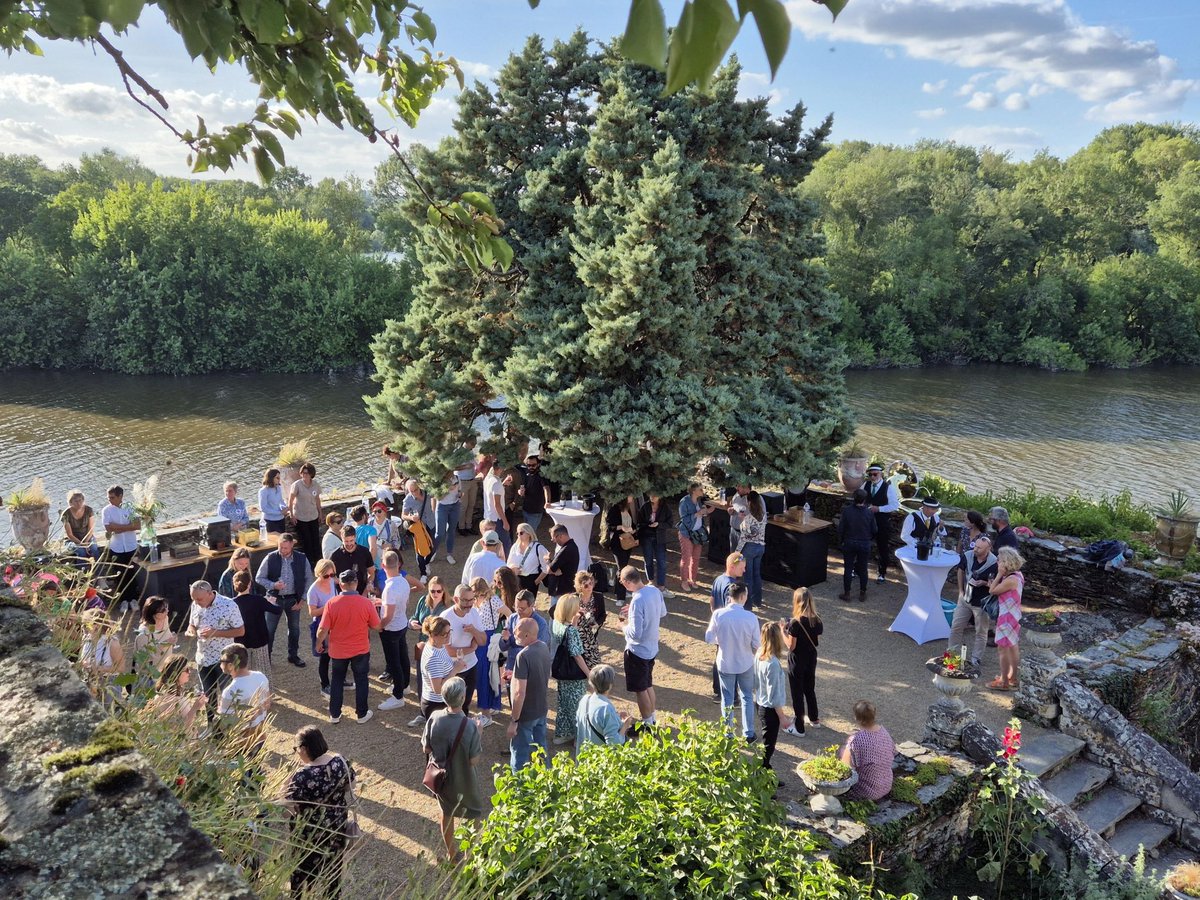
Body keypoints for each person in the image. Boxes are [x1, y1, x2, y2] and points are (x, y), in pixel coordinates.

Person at [284, 725, 354, 898]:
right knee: (333, 870)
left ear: (304, 748)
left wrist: (286, 782)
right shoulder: (340, 762)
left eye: (296, 749)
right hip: (336, 828)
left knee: (302, 873)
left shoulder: (301, 777)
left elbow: (287, 810)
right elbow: (350, 785)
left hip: (308, 834)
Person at [421, 676, 484, 861]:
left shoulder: (434, 717)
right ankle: (471, 856)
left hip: (443, 780)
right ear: (463, 698)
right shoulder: (470, 726)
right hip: (465, 780)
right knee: (473, 815)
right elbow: (474, 760)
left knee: (446, 813)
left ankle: (452, 853)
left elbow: (426, 748)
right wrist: (479, 733)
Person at [316, 569, 381, 724]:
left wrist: (319, 644)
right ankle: (362, 714)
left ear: (341, 585)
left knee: (337, 680)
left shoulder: (331, 604)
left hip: (338, 651)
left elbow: (322, 629)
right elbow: (376, 626)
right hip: (360, 649)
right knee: (361, 680)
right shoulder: (366, 603)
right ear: (356, 583)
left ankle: (334, 714)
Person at [705, 583, 760, 741]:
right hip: (745, 662)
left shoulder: (718, 615)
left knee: (727, 698)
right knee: (747, 697)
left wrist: (720, 640)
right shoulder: (751, 617)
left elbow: (708, 637)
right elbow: (757, 644)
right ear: (742, 597)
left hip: (725, 662)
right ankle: (748, 733)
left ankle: (728, 733)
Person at [186, 580, 245, 724]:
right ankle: (213, 727)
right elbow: (192, 625)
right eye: (193, 599)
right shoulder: (196, 604)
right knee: (207, 696)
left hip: (223, 659)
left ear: (209, 593)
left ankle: (230, 726)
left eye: (199, 599)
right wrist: (192, 631)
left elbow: (240, 631)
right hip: (202, 659)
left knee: (228, 695)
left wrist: (215, 633)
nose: (196, 602)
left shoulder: (229, 605)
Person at [255, 532, 312, 668]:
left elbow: (309, 579)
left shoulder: (302, 558)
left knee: (294, 629)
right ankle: (266, 659)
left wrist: (302, 599)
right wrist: (273, 585)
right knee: (269, 630)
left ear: (292, 545)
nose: (283, 550)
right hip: (274, 599)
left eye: (286, 548)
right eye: (280, 547)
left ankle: (293, 656)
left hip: (294, 598)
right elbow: (259, 577)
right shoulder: (270, 557)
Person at [619, 566, 667, 727]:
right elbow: (662, 613)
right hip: (652, 647)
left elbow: (635, 633)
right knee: (648, 684)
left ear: (627, 582)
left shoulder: (637, 600)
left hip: (637, 651)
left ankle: (647, 724)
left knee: (640, 689)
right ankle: (652, 719)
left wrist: (624, 625)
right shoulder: (654, 591)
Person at [507, 616, 551, 770]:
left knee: (520, 753)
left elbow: (520, 693)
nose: (513, 633)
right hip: (541, 709)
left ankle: (518, 789)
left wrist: (514, 721)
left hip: (525, 715)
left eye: (516, 630)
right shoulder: (544, 647)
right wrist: (515, 676)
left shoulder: (523, 656)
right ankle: (546, 782)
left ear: (526, 635)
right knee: (541, 750)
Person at [949, 533, 997, 669]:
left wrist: (983, 582)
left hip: (982, 603)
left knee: (981, 632)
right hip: (966, 599)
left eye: (980, 548)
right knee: (956, 626)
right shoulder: (968, 555)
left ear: (988, 549)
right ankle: (952, 655)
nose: (975, 550)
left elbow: (995, 586)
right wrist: (960, 591)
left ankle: (976, 658)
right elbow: (960, 570)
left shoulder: (994, 563)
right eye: (975, 546)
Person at [550, 594, 591, 746]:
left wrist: (574, 623)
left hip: (562, 670)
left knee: (563, 704)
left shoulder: (556, 624)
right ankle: (578, 738)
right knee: (577, 706)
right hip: (574, 674)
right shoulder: (572, 632)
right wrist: (589, 674)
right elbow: (577, 655)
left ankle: (562, 733)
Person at [472, 572, 514, 723]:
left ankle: (487, 713)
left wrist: (506, 631)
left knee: (486, 675)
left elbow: (510, 614)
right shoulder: (476, 601)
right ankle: (491, 706)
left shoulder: (493, 600)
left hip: (488, 640)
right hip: (478, 639)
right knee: (484, 674)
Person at [440, 583, 487, 715]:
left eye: (471, 599)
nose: (469, 604)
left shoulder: (474, 612)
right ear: (455, 599)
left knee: (466, 703)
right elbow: (449, 651)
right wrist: (472, 648)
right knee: (451, 705)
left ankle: (463, 729)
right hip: (453, 668)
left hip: (471, 666)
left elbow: (483, 641)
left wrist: (473, 631)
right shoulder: (445, 617)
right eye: (465, 600)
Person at [755, 622, 796, 769]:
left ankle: (764, 772)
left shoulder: (760, 652)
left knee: (767, 743)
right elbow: (773, 696)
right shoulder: (772, 663)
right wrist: (783, 717)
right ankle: (762, 775)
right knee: (768, 746)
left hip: (760, 702)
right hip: (769, 709)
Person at [378, 550, 413, 711]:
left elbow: (388, 615)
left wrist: (380, 625)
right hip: (402, 624)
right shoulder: (403, 581)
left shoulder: (390, 588)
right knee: (403, 656)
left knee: (394, 661)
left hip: (391, 628)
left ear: (383, 565)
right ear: (398, 563)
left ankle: (398, 695)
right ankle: (405, 685)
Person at [784, 587, 823, 733]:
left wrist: (783, 631)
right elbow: (816, 640)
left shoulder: (796, 622)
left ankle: (799, 727)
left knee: (797, 692)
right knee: (809, 688)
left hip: (797, 660)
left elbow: (791, 646)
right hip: (811, 657)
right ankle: (814, 718)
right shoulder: (817, 620)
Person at [840, 700, 896, 801]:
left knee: (843, 752)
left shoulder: (856, 740)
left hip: (866, 791)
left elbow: (845, 769)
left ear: (856, 717)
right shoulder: (884, 732)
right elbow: (892, 753)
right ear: (874, 715)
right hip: (886, 785)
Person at [217, 642, 271, 746]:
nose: (220, 664)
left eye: (221, 661)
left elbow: (225, 724)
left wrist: (219, 710)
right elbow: (267, 703)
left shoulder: (230, 691)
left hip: (241, 743)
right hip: (260, 737)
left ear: (230, 665)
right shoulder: (261, 677)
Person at [709, 551, 747, 700]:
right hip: (729, 630)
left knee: (719, 657)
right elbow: (729, 610)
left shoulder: (718, 579)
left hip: (720, 628)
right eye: (741, 568)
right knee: (731, 661)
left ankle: (718, 691)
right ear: (732, 566)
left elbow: (712, 600)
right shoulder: (731, 586)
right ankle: (729, 694)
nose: (744, 571)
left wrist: (715, 617)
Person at [417, 616, 469, 723]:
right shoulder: (433, 658)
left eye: (450, 631)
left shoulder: (439, 646)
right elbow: (437, 689)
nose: (449, 636)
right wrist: (455, 670)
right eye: (445, 634)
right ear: (433, 636)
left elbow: (443, 668)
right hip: (436, 705)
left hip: (441, 702)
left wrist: (456, 664)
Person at [988, 547, 1026, 691]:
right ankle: (1013, 678)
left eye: (999, 560)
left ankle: (1004, 682)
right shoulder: (1018, 575)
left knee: (1002, 649)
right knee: (1013, 646)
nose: (997, 562)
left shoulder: (1010, 579)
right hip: (1014, 616)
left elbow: (992, 591)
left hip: (1006, 617)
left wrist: (998, 576)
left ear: (1006, 562)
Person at [100, 485, 140, 612]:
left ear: (120, 496)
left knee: (132, 574)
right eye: (108, 497)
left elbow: (137, 525)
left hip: (131, 545)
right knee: (119, 575)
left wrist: (119, 528)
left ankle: (133, 599)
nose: (109, 500)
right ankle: (123, 600)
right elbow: (108, 528)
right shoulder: (106, 511)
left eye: (112, 497)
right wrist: (127, 526)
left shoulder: (131, 508)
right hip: (116, 547)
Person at [500, 589, 551, 686]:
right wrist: (504, 640)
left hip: (530, 671)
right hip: (512, 668)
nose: (518, 611)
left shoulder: (541, 624)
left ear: (532, 606)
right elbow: (503, 647)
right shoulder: (512, 618)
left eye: (522, 608)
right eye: (516, 607)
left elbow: (538, 651)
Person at [576, 664, 632, 747]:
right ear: (610, 685)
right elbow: (614, 743)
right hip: (600, 757)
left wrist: (616, 719)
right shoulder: (606, 708)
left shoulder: (584, 700)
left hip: (585, 754)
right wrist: (624, 726)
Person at [230, 570, 274, 674]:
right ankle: (265, 690)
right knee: (262, 670)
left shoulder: (232, 603)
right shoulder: (258, 600)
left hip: (241, 642)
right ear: (249, 584)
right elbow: (276, 610)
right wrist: (271, 602)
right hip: (260, 640)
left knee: (244, 670)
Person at [148, 654, 204, 733]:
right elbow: (182, 726)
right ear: (176, 672)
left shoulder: (168, 693)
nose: (190, 672)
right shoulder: (170, 699)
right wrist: (195, 708)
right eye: (186, 670)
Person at [838, 488, 877, 602]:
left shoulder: (847, 511)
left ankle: (847, 593)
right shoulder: (869, 513)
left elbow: (841, 529)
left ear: (854, 498)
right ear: (865, 500)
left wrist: (841, 542)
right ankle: (862, 593)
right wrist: (869, 539)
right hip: (864, 543)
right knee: (863, 568)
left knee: (848, 568)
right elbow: (874, 530)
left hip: (849, 542)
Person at [307, 559, 339, 695]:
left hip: (336, 623)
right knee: (324, 656)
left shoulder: (332, 582)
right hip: (323, 624)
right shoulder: (313, 591)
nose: (329, 578)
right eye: (326, 576)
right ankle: (325, 685)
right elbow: (312, 612)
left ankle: (339, 680)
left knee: (338, 654)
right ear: (318, 574)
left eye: (332, 575)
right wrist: (328, 607)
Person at [80, 606, 126, 702]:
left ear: (97, 625)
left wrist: (99, 668)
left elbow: (121, 668)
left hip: (108, 684)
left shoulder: (112, 642)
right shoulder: (86, 638)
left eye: (86, 624)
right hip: (89, 682)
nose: (84, 627)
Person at [864, 465, 901, 583]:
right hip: (866, 521)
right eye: (870, 475)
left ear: (881, 474)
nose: (873, 477)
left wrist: (879, 509)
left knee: (882, 547)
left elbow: (895, 505)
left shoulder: (888, 488)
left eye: (875, 474)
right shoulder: (866, 485)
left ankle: (882, 573)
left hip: (882, 522)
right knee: (862, 544)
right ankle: (857, 569)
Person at [677, 483, 715, 592]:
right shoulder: (684, 502)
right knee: (686, 558)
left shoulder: (700, 500)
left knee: (696, 558)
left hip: (698, 533)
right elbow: (684, 519)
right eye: (700, 489)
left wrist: (711, 508)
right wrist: (697, 514)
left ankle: (692, 579)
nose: (702, 491)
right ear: (693, 491)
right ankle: (684, 581)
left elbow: (704, 512)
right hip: (687, 533)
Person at [603, 495, 640, 604]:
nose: (632, 498)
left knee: (624, 566)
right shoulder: (615, 509)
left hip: (627, 543)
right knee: (621, 569)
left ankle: (621, 590)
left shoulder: (627, 509)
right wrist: (621, 527)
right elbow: (609, 525)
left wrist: (635, 534)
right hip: (617, 543)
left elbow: (632, 525)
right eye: (630, 496)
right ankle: (620, 596)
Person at [736, 491, 768, 611]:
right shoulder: (764, 515)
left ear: (749, 502)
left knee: (747, 577)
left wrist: (737, 552)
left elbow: (743, 538)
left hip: (749, 548)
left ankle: (747, 605)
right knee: (756, 574)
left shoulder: (748, 519)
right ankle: (757, 601)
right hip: (760, 547)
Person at [133, 596, 177, 680]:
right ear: (153, 613)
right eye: (163, 610)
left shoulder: (165, 619)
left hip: (167, 669)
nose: (167, 611)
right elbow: (143, 658)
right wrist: (163, 645)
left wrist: (172, 640)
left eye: (166, 608)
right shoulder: (144, 633)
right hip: (151, 675)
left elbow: (167, 636)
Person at [638, 492, 673, 596]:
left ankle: (661, 586)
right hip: (647, 537)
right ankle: (651, 582)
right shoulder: (645, 507)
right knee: (648, 560)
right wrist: (648, 525)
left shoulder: (665, 507)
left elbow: (670, 523)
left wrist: (659, 524)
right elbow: (639, 523)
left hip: (660, 538)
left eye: (655, 495)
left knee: (661, 562)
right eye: (651, 495)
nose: (652, 497)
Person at [288, 463, 323, 567]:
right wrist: (291, 515)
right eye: (303, 473)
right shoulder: (297, 485)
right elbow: (290, 500)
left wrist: (320, 513)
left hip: (313, 516)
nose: (305, 475)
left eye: (307, 473)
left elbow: (317, 499)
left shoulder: (315, 484)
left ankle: (318, 561)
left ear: (312, 474)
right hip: (301, 517)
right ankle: (309, 563)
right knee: (306, 541)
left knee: (315, 540)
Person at [401, 479, 437, 579]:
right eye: (411, 491)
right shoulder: (408, 499)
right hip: (419, 528)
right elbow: (403, 515)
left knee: (432, 547)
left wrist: (433, 509)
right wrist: (411, 518)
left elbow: (435, 496)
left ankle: (426, 563)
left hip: (430, 523)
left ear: (419, 487)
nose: (414, 493)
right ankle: (423, 573)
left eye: (415, 490)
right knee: (420, 551)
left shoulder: (427, 492)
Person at [330, 524, 376, 598]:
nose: (349, 544)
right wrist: (343, 583)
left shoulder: (365, 552)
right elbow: (330, 577)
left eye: (351, 541)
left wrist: (368, 587)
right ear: (342, 539)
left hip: (362, 594)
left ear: (355, 537)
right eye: (346, 541)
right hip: (342, 596)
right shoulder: (335, 555)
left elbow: (371, 573)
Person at [574, 570, 606, 670]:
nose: (589, 587)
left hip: (591, 636)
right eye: (586, 585)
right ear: (580, 586)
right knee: (577, 665)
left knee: (595, 665)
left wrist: (597, 625)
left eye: (591, 583)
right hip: (577, 636)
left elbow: (602, 615)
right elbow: (556, 611)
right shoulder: (573, 598)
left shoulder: (598, 597)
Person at [368, 501, 402, 591]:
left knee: (386, 581)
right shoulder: (369, 524)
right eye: (375, 512)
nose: (377, 514)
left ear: (384, 511)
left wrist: (391, 547)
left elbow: (397, 540)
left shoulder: (391, 525)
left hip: (386, 556)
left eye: (379, 511)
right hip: (374, 555)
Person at [507, 522, 550, 595]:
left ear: (529, 533)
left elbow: (546, 568)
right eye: (517, 533)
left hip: (531, 579)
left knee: (528, 604)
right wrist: (513, 569)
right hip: (516, 579)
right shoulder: (515, 546)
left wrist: (536, 582)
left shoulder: (538, 547)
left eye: (521, 533)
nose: (518, 535)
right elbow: (508, 563)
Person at [542, 524, 579, 601]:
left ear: (561, 536)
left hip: (561, 591)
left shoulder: (566, 549)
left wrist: (548, 560)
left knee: (556, 612)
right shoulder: (571, 546)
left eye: (553, 538)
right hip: (565, 589)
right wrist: (555, 569)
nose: (553, 541)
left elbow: (550, 570)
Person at [482, 459, 511, 554]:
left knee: (489, 544)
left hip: (488, 517)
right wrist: (505, 521)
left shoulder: (487, 479)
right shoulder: (496, 483)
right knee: (505, 545)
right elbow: (497, 504)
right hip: (497, 519)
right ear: (499, 468)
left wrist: (502, 484)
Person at [517, 454, 551, 533]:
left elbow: (546, 488)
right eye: (529, 465)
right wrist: (520, 491)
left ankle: (532, 545)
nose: (531, 467)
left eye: (533, 465)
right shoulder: (527, 474)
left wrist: (547, 502)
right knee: (527, 532)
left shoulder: (541, 475)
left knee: (529, 534)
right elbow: (523, 488)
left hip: (535, 511)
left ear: (538, 464)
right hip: (526, 509)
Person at [62, 489, 98, 561]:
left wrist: (86, 542)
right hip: (72, 540)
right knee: (81, 552)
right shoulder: (66, 514)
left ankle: (98, 568)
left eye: (80, 500)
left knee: (94, 549)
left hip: (87, 537)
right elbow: (70, 535)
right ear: (70, 502)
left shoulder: (89, 510)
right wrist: (82, 545)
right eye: (76, 501)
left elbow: (90, 530)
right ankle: (82, 570)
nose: (79, 503)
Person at [434, 471, 461, 566]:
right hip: (442, 507)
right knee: (440, 533)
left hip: (455, 506)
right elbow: (438, 497)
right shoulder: (439, 480)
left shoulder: (457, 478)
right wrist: (448, 489)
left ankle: (449, 554)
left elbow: (459, 491)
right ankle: (433, 552)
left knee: (451, 531)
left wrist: (460, 494)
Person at [455, 439, 481, 536]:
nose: (474, 446)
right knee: (463, 506)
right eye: (472, 443)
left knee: (471, 504)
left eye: (475, 444)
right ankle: (461, 526)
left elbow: (475, 464)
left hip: (472, 480)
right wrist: (466, 467)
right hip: (463, 481)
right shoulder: (458, 452)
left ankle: (468, 525)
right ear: (466, 442)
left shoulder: (471, 452)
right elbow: (453, 467)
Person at [258, 469, 286, 534]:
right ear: (271, 478)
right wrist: (279, 512)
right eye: (277, 478)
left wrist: (284, 507)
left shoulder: (278, 488)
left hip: (280, 519)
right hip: (270, 521)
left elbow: (281, 501)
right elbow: (263, 508)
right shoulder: (263, 491)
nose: (279, 479)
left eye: (279, 478)